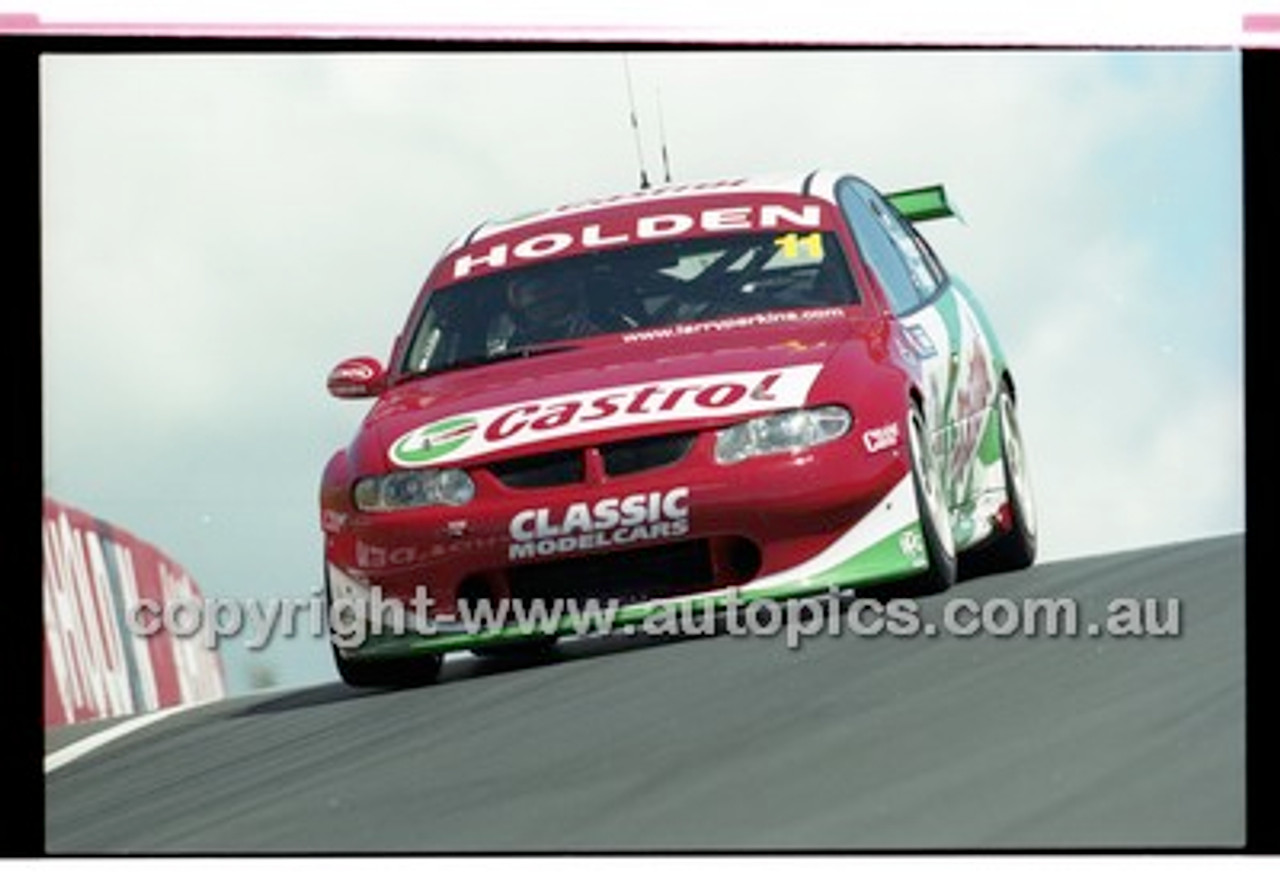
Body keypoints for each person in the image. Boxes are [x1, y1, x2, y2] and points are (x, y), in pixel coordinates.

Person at [505, 269, 599, 345]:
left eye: (554, 301)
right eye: (537, 306)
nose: (547, 309)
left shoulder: (599, 319)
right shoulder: (519, 345)